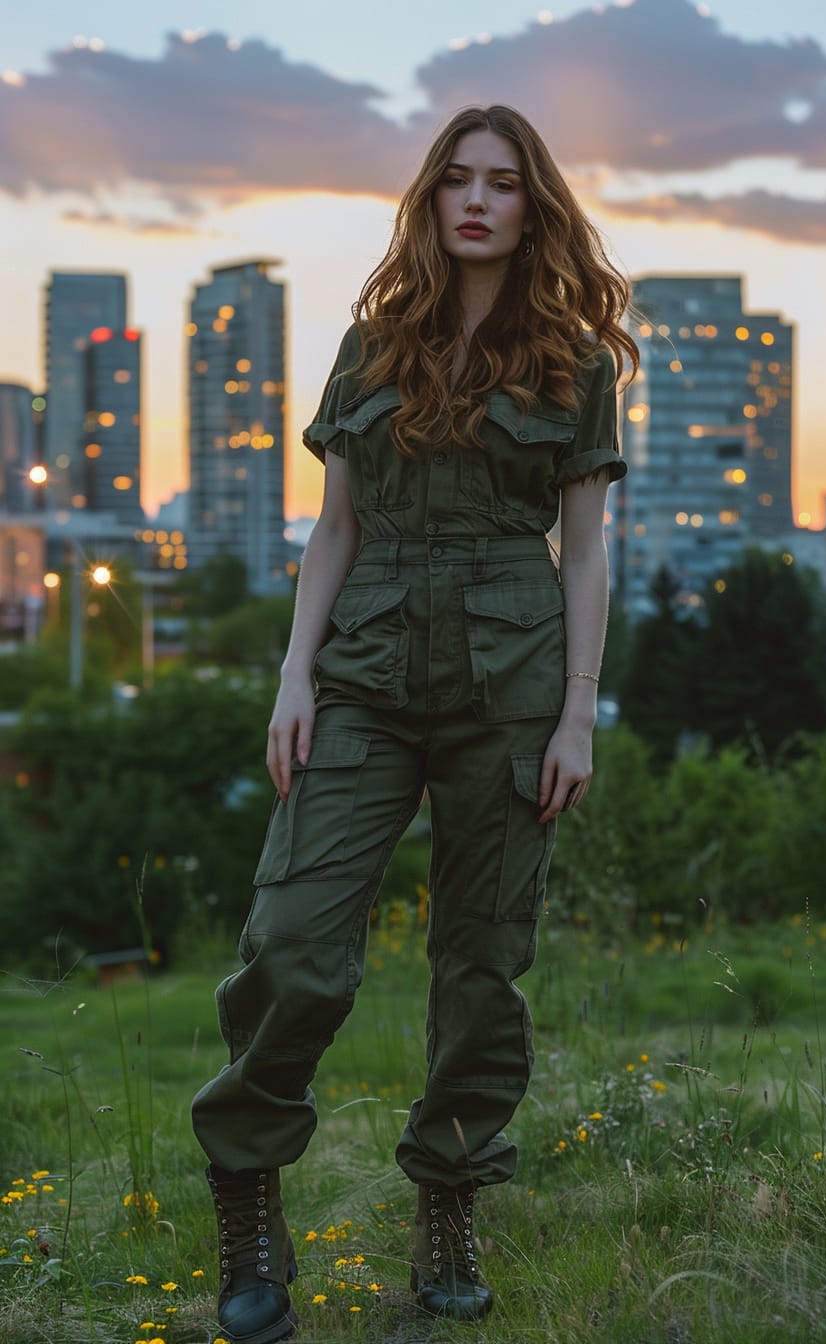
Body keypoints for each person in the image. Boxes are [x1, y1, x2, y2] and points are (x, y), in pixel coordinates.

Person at [192, 103, 638, 1344]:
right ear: (430, 200)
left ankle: (447, 1201)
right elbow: (331, 527)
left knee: (481, 966)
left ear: (532, 202)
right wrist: (295, 676)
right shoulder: (373, 342)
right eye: (457, 180)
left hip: (509, 679)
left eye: (501, 181)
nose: (478, 200)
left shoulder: (575, 360)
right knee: (291, 941)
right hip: (367, 674)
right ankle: (248, 1190)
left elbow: (587, 551)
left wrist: (575, 717)